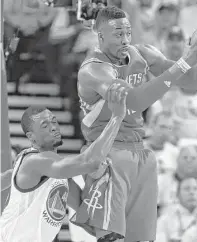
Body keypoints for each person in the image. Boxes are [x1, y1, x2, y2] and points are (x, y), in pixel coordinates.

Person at [72, 5, 197, 242]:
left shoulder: (142, 53)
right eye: (118, 34)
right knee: (112, 237)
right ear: (100, 36)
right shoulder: (94, 70)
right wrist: (184, 61)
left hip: (140, 153)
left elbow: (193, 83)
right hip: (107, 154)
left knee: (142, 239)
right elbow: (135, 100)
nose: (125, 39)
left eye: (128, 32)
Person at [0, 85, 128, 242]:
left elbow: (83, 213)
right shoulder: (34, 162)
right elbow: (89, 161)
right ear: (31, 137)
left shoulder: (58, 174)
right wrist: (117, 117)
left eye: (53, 121)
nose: (53, 127)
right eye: (45, 125)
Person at [156, 177, 197, 242]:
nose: (192, 192)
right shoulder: (166, 218)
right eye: (187, 189)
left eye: (195, 189)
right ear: (177, 195)